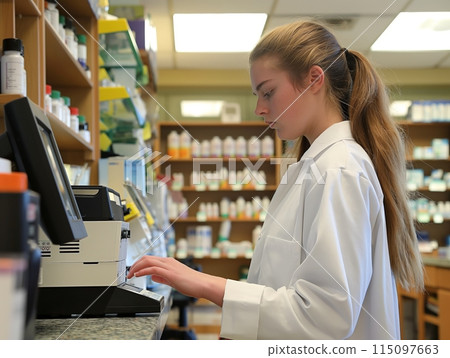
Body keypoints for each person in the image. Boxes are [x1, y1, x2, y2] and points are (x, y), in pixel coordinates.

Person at [128, 20, 424, 339]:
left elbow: (327, 314)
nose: (258, 108)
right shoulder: (314, 165)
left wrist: (205, 285)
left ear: (314, 80)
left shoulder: (339, 168)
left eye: (268, 92)